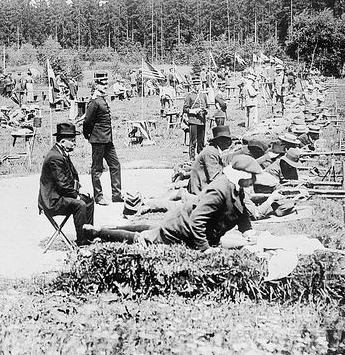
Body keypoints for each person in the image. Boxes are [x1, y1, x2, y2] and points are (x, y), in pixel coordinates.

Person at [82, 154, 262, 251]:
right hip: (180, 231)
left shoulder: (235, 188)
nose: (253, 181)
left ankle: (108, 228)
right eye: (252, 177)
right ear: (242, 176)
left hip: (184, 226)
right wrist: (205, 248)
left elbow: (241, 213)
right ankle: (100, 232)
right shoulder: (220, 190)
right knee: (143, 239)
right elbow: (197, 221)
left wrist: (249, 233)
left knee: (151, 229)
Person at [38, 123, 95, 247]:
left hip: (59, 195)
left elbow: (71, 177)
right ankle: (82, 242)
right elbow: (62, 185)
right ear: (63, 141)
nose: (75, 143)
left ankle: (89, 236)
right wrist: (77, 195)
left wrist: (80, 191)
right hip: (52, 201)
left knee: (89, 200)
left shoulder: (61, 153)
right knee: (80, 204)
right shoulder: (55, 157)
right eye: (72, 141)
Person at [83, 79, 123, 205]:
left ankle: (116, 195)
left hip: (107, 140)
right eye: (102, 84)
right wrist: (87, 134)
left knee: (115, 165)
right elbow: (87, 120)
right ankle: (98, 197)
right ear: (96, 86)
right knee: (97, 169)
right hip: (98, 140)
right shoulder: (95, 101)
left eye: (106, 84)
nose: (105, 86)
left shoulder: (102, 99)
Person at [188, 125, 233, 195]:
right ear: (219, 141)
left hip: (205, 185)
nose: (230, 142)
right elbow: (215, 178)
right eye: (227, 140)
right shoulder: (210, 153)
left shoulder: (214, 150)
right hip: (200, 189)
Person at [183, 77, 208, 160]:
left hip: (202, 121)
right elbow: (185, 108)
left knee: (201, 141)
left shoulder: (203, 95)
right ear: (193, 86)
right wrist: (193, 111)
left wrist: (206, 111)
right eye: (195, 85)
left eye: (198, 84)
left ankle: (200, 158)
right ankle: (192, 158)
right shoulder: (189, 95)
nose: (197, 86)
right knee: (193, 141)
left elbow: (207, 106)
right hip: (193, 120)